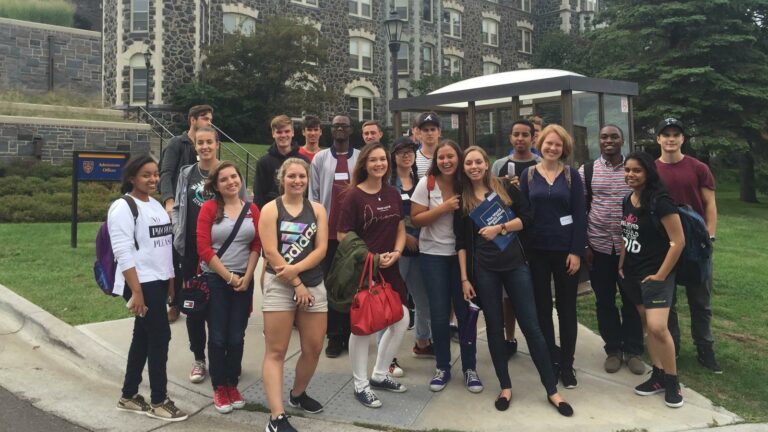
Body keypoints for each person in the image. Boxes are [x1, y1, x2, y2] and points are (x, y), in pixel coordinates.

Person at [455, 146, 573, 416]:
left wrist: (501, 227)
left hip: (515, 265)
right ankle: (505, 387)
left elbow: (528, 218)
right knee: (495, 329)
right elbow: (461, 243)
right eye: (468, 163)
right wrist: (464, 278)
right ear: (464, 168)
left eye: (478, 162)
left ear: (486, 164)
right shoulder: (461, 200)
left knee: (531, 326)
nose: (473, 167)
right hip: (484, 271)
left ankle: (552, 390)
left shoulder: (506, 187)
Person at [111, 154, 187, 422]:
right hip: (138, 283)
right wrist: (137, 292)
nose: (153, 179)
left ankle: (129, 395)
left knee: (142, 338)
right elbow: (123, 252)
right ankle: (159, 400)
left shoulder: (154, 205)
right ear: (132, 177)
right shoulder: (123, 207)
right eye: (146, 175)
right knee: (160, 337)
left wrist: (170, 282)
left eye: (155, 174)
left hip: (157, 282)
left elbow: (163, 248)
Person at [336, 142, 410, 408]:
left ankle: (379, 375)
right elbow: (342, 235)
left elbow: (400, 226)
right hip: (365, 268)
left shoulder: (392, 193)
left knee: (401, 319)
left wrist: (398, 252)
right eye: (374, 160)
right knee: (363, 326)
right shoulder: (353, 196)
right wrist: (371, 257)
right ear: (365, 164)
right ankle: (360, 384)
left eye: (383, 160)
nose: (380, 164)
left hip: (391, 267)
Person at [172, 127, 246, 385]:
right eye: (200, 142)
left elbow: (242, 206)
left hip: (224, 250)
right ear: (195, 145)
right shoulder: (187, 173)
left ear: (217, 144)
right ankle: (199, 359)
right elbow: (180, 207)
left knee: (223, 308)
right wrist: (177, 233)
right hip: (193, 250)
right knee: (195, 306)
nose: (204, 147)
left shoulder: (228, 172)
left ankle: (225, 358)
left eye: (209, 142)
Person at [259, 158, 328, 432]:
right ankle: (276, 417)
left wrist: (299, 276)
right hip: (280, 286)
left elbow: (320, 249)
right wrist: (296, 283)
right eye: (292, 176)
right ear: (282, 179)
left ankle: (297, 394)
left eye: (302, 176)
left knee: (313, 348)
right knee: (276, 351)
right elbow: (271, 253)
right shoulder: (270, 209)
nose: (297, 181)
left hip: (313, 284)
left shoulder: (318, 210)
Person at [411, 140, 482, 394]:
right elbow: (416, 219)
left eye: (451, 156)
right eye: (441, 157)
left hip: (462, 257)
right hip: (433, 256)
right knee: (439, 315)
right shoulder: (426, 184)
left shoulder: (467, 184)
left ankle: (470, 367)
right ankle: (442, 366)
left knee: (465, 313)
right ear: (436, 160)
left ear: (458, 158)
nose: (446, 161)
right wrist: (443, 207)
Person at [519, 124, 586, 389]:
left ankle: (567, 364)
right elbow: (522, 214)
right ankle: (551, 357)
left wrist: (576, 251)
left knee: (567, 309)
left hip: (565, 252)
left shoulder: (571, 176)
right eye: (548, 143)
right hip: (537, 252)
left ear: (563, 148)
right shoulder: (528, 175)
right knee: (542, 309)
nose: (552, 148)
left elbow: (580, 215)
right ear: (540, 144)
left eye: (558, 144)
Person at [654, 118, 721, 374]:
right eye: (666, 135)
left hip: (695, 244)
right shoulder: (652, 169)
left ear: (682, 139)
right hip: (665, 244)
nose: (671, 139)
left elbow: (710, 203)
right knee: (667, 302)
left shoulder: (698, 168)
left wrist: (710, 235)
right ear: (658, 139)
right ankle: (673, 347)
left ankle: (705, 348)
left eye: (676, 135)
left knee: (700, 300)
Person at [620, 151, 685, 408]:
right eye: (627, 170)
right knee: (647, 326)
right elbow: (627, 232)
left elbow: (678, 241)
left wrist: (660, 275)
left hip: (656, 274)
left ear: (648, 172)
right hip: (632, 273)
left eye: (636, 170)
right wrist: (621, 263)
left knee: (659, 327)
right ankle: (657, 375)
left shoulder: (661, 201)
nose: (631, 175)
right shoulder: (628, 198)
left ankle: (672, 381)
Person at [578, 125, 644, 375]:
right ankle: (614, 350)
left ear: (622, 140)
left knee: (632, 299)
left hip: (631, 247)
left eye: (614, 136)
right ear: (599, 140)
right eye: (604, 137)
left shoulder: (633, 168)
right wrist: (585, 244)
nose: (609, 141)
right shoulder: (587, 170)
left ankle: (634, 350)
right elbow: (581, 209)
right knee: (604, 300)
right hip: (599, 247)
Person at [196, 162, 261, 414]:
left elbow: (257, 244)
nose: (231, 182)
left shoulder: (251, 209)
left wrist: (247, 276)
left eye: (234, 176)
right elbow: (203, 248)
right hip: (216, 281)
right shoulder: (209, 209)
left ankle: (232, 383)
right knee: (218, 336)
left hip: (244, 281)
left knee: (237, 336)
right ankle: (219, 386)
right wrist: (230, 278)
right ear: (216, 185)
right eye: (224, 179)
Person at [309, 114, 360, 358]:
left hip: (354, 235)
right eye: (336, 126)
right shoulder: (320, 159)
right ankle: (334, 336)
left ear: (351, 130)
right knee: (331, 284)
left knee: (353, 283)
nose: (340, 129)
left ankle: (352, 333)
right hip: (327, 234)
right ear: (331, 130)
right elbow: (314, 197)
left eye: (344, 125)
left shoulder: (360, 158)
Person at [490, 119, 542, 357]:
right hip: (506, 235)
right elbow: (488, 197)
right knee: (507, 295)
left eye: (525, 134)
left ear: (533, 138)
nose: (520, 139)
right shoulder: (500, 165)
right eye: (516, 134)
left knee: (535, 292)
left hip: (536, 235)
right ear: (510, 138)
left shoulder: (541, 164)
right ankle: (509, 337)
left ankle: (541, 338)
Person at [160, 104, 213, 324]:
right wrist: (169, 201)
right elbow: (166, 172)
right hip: (181, 209)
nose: (209, 122)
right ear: (192, 120)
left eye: (210, 119)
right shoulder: (176, 144)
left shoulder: (208, 146)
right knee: (177, 259)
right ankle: (174, 303)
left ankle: (202, 297)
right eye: (204, 118)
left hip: (202, 208)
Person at [389, 137, 434, 378]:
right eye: (401, 151)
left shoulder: (420, 181)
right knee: (392, 302)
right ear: (393, 156)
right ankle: (388, 357)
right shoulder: (388, 183)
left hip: (421, 248)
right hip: (398, 249)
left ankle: (423, 342)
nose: (406, 155)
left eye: (410, 151)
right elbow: (387, 215)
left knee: (423, 297)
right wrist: (405, 236)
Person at [253, 115, 308, 209]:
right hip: (272, 213)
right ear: (273, 134)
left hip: (298, 212)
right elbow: (259, 195)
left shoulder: (304, 162)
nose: (283, 135)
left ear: (293, 133)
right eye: (279, 132)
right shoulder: (263, 163)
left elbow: (308, 193)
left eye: (287, 131)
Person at [414, 112, 442, 178]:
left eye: (433, 129)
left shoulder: (446, 157)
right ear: (419, 133)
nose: (429, 133)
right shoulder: (413, 159)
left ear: (439, 132)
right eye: (425, 130)